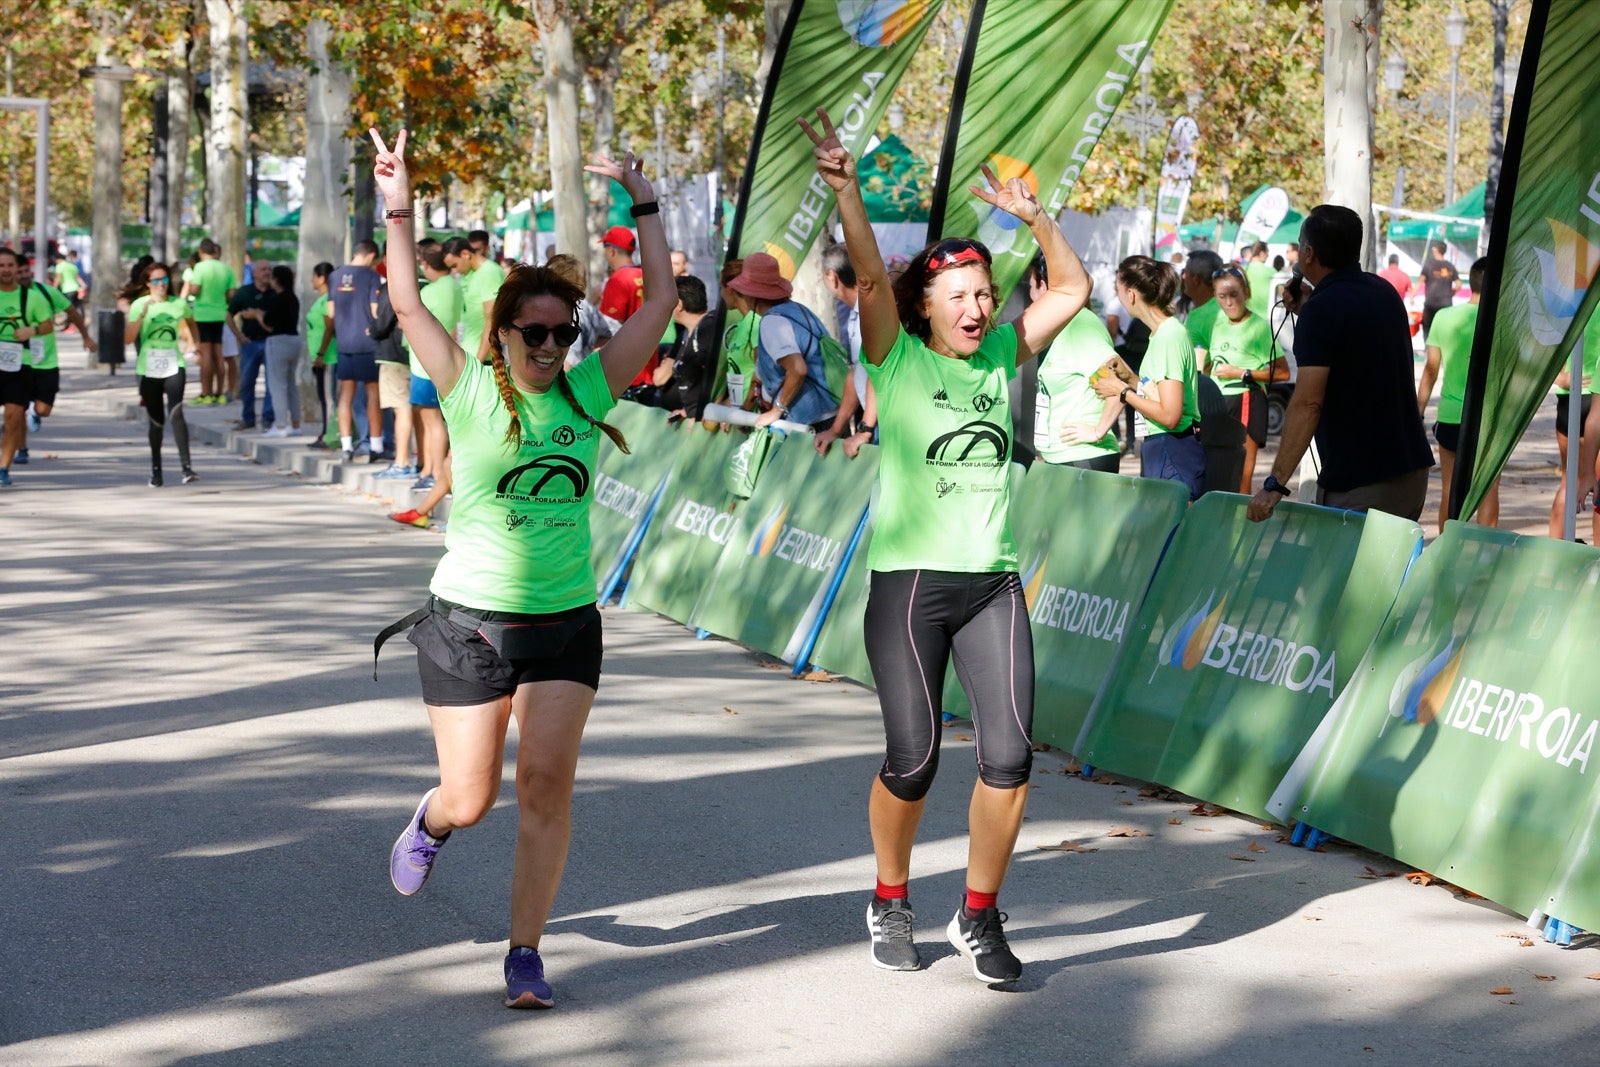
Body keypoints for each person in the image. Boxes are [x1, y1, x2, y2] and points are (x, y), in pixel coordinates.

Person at [370, 127, 674, 1010]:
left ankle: (526, 951)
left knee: (545, 784)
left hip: (565, 624)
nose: (549, 345)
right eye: (533, 331)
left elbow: (657, 307)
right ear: (502, 332)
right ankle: (430, 823)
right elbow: (407, 299)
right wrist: (399, 201)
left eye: (561, 331)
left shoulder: (587, 391)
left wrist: (643, 201)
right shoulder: (469, 390)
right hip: (467, 624)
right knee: (471, 798)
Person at [801, 107, 1091, 985]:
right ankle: (890, 895)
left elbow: (1072, 291)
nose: (974, 308)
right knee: (916, 759)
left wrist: (1037, 221)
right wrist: (848, 193)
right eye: (956, 296)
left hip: (992, 584)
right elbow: (868, 278)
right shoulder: (896, 359)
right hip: (911, 585)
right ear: (923, 307)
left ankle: (979, 912)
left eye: (981, 292)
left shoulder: (1003, 353)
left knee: (1010, 756)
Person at [1249, 205, 1434, 523]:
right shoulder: (1383, 291)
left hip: (1362, 482)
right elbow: (1353, 344)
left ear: (1308, 253)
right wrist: (1310, 308)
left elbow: (1307, 404)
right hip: (1410, 472)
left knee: (1337, 573)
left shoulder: (1323, 310)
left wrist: (1275, 484)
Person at [1096, 256, 1204, 499]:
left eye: (1118, 289)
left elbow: (1170, 415)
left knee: (1172, 535)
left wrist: (1122, 392)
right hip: (1164, 448)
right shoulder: (1162, 333)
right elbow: (1159, 393)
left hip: (1173, 449)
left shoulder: (1168, 336)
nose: (1118, 297)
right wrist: (1130, 379)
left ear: (1132, 294)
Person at [1416, 257, 1496, 534]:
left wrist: (1419, 411)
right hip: (1490, 419)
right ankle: (1486, 556)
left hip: (1451, 415)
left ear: (1471, 282)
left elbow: (1430, 370)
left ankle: (1448, 551)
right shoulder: (1502, 320)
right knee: (1488, 489)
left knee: (1450, 487)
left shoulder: (1444, 317)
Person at [1030, 253, 1122, 472]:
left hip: (1084, 457)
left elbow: (1119, 377)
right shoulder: (1062, 325)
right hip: (1065, 457)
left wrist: (1097, 431)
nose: (1030, 294)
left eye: (1032, 285)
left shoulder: (1081, 324)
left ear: (1044, 287)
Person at [726, 253, 838, 431]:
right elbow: (763, 372)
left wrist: (777, 409)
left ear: (752, 294)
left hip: (808, 421)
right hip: (831, 412)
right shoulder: (800, 311)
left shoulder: (772, 322)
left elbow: (798, 369)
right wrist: (747, 407)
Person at [1205, 267, 1283, 492]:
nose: (1229, 302)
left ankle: (1239, 527)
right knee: (1217, 474)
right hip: (1217, 403)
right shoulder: (1217, 322)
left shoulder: (1258, 327)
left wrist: (1242, 372)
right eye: (1222, 296)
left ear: (1246, 293)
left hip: (1247, 399)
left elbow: (1282, 372)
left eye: (1234, 295)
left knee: (1240, 476)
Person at [124, 262, 199, 486]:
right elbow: (128, 338)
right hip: (148, 367)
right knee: (156, 421)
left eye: (164, 280)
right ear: (147, 283)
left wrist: (197, 345)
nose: (161, 285)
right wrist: (142, 314)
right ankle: (156, 471)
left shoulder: (178, 304)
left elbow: (192, 324)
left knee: (176, 412)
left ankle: (187, 468)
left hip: (173, 364)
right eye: (156, 281)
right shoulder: (139, 305)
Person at [321, 240, 385, 462]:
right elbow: (376, 311)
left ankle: (346, 445)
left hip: (344, 343)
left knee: (345, 395)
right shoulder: (371, 277)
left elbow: (330, 312)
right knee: (373, 395)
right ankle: (376, 446)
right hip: (367, 343)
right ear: (371, 255)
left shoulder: (335, 276)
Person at [406, 243, 463, 491]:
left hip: (424, 363)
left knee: (432, 421)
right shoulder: (455, 286)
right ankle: (430, 469)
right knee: (434, 420)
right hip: (442, 360)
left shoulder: (430, 291)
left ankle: (435, 471)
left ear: (426, 265)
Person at [814, 243, 878, 458]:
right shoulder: (856, 314)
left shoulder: (870, 312)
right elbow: (856, 373)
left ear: (832, 277)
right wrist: (835, 429)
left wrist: (866, 430)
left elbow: (878, 373)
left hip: (885, 426)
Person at [0, 247, 55, 486]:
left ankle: (3, 468)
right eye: (1, 265)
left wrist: (31, 330)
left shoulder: (31, 297)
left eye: (10, 265)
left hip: (18, 364)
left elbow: (47, 325)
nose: (6, 270)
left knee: (13, 417)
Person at [1547, 309, 1600, 540]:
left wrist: (1561, 378)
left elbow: (1543, 352)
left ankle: (1554, 556)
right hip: (1594, 396)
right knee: (1596, 483)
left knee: (1569, 480)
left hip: (1572, 396)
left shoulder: (1573, 302)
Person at [227, 259, 276, 431]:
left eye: (269, 269)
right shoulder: (244, 293)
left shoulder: (275, 293)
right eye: (263, 269)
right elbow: (228, 314)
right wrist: (238, 336)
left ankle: (268, 418)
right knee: (247, 383)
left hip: (271, 343)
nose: (267, 272)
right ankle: (248, 418)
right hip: (250, 343)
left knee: (272, 383)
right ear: (254, 273)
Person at [661, 275, 717, 418]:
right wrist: (688, 411)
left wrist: (701, 412)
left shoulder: (708, 328)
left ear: (679, 305)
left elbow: (718, 377)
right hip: (693, 417)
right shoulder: (688, 333)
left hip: (707, 423)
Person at [187, 239, 236, 404]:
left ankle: (205, 393)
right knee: (219, 354)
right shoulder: (227, 269)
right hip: (220, 314)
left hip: (203, 314)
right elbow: (231, 294)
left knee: (206, 353)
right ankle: (219, 393)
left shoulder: (200, 267)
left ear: (201, 252)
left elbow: (194, 289)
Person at [260, 265, 304, 438]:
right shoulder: (293, 298)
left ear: (276, 280)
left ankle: (280, 426)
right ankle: (296, 424)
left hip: (278, 341)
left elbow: (269, 325)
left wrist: (257, 315)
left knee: (277, 385)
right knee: (291, 384)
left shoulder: (276, 299)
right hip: (294, 340)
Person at [306, 262, 338, 448]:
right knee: (323, 397)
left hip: (328, 357)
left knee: (329, 398)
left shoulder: (328, 300)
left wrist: (321, 353)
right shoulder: (322, 299)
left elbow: (330, 327)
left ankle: (329, 434)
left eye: (314, 276)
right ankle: (325, 432)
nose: (312, 280)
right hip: (321, 357)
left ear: (321, 278)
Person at [1179, 250, 1222, 363]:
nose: (1183, 277)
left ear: (1196, 279)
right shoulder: (1204, 309)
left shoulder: (1214, 314)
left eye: (1186, 273)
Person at [1419, 239, 1459, 339]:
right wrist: (1451, 293)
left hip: (1431, 303)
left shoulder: (1429, 264)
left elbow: (1420, 281)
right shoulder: (1450, 266)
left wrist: (1412, 295)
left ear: (1436, 250)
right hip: (1446, 303)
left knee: (1428, 328)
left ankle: (1428, 350)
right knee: (1444, 329)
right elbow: (1458, 284)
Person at [1243, 241, 1275, 320]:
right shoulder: (1272, 272)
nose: (1268, 255)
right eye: (1267, 252)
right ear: (1262, 253)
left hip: (1246, 317)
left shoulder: (1242, 270)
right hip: (1266, 318)